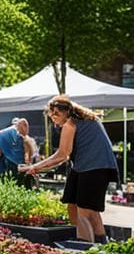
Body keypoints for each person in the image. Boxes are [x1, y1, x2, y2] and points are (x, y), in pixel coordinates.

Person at [20, 95, 119, 243]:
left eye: (55, 115)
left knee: (85, 212)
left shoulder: (70, 124)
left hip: (93, 168)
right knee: (74, 205)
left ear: (63, 112)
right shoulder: (87, 119)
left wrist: (34, 167)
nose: (53, 118)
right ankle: (98, 243)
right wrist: (38, 168)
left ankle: (86, 247)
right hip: (86, 167)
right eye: (51, 115)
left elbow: (62, 155)